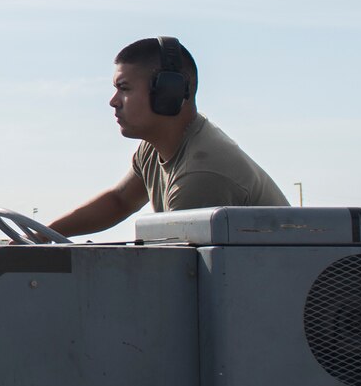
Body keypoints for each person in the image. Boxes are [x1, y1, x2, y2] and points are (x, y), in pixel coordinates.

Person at [48, 36, 287, 237]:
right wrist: (40, 235)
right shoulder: (156, 147)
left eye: (124, 88)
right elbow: (120, 201)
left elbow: (177, 274)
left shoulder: (200, 174)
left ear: (167, 93)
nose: (113, 101)